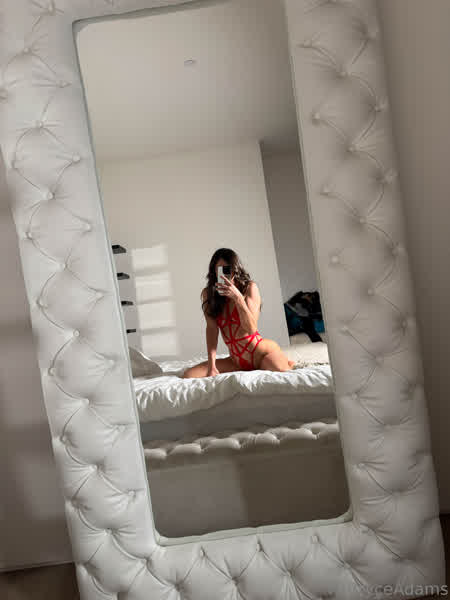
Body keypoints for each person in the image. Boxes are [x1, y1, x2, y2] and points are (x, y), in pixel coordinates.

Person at [183, 248, 294, 378]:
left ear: (235, 270)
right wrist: (212, 365)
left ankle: (286, 362)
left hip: (261, 354)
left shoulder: (249, 288)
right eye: (219, 269)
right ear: (214, 272)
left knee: (280, 371)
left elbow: (251, 329)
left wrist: (238, 298)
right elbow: (212, 329)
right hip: (236, 361)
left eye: (227, 269)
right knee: (189, 375)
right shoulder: (209, 295)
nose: (223, 274)